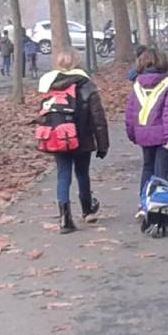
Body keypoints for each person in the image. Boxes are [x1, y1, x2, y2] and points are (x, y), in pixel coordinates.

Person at [38, 48, 110, 233]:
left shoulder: (49, 84)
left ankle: (65, 218)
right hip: (82, 137)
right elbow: (98, 118)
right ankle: (87, 210)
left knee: (63, 175)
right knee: (82, 174)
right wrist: (103, 144)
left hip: (57, 137)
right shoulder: (86, 85)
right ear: (77, 62)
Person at [125, 48, 168, 218]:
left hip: (143, 134)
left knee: (147, 168)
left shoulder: (137, 85)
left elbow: (130, 112)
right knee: (161, 171)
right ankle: (159, 203)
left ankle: (144, 204)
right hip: (164, 135)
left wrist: (132, 133)